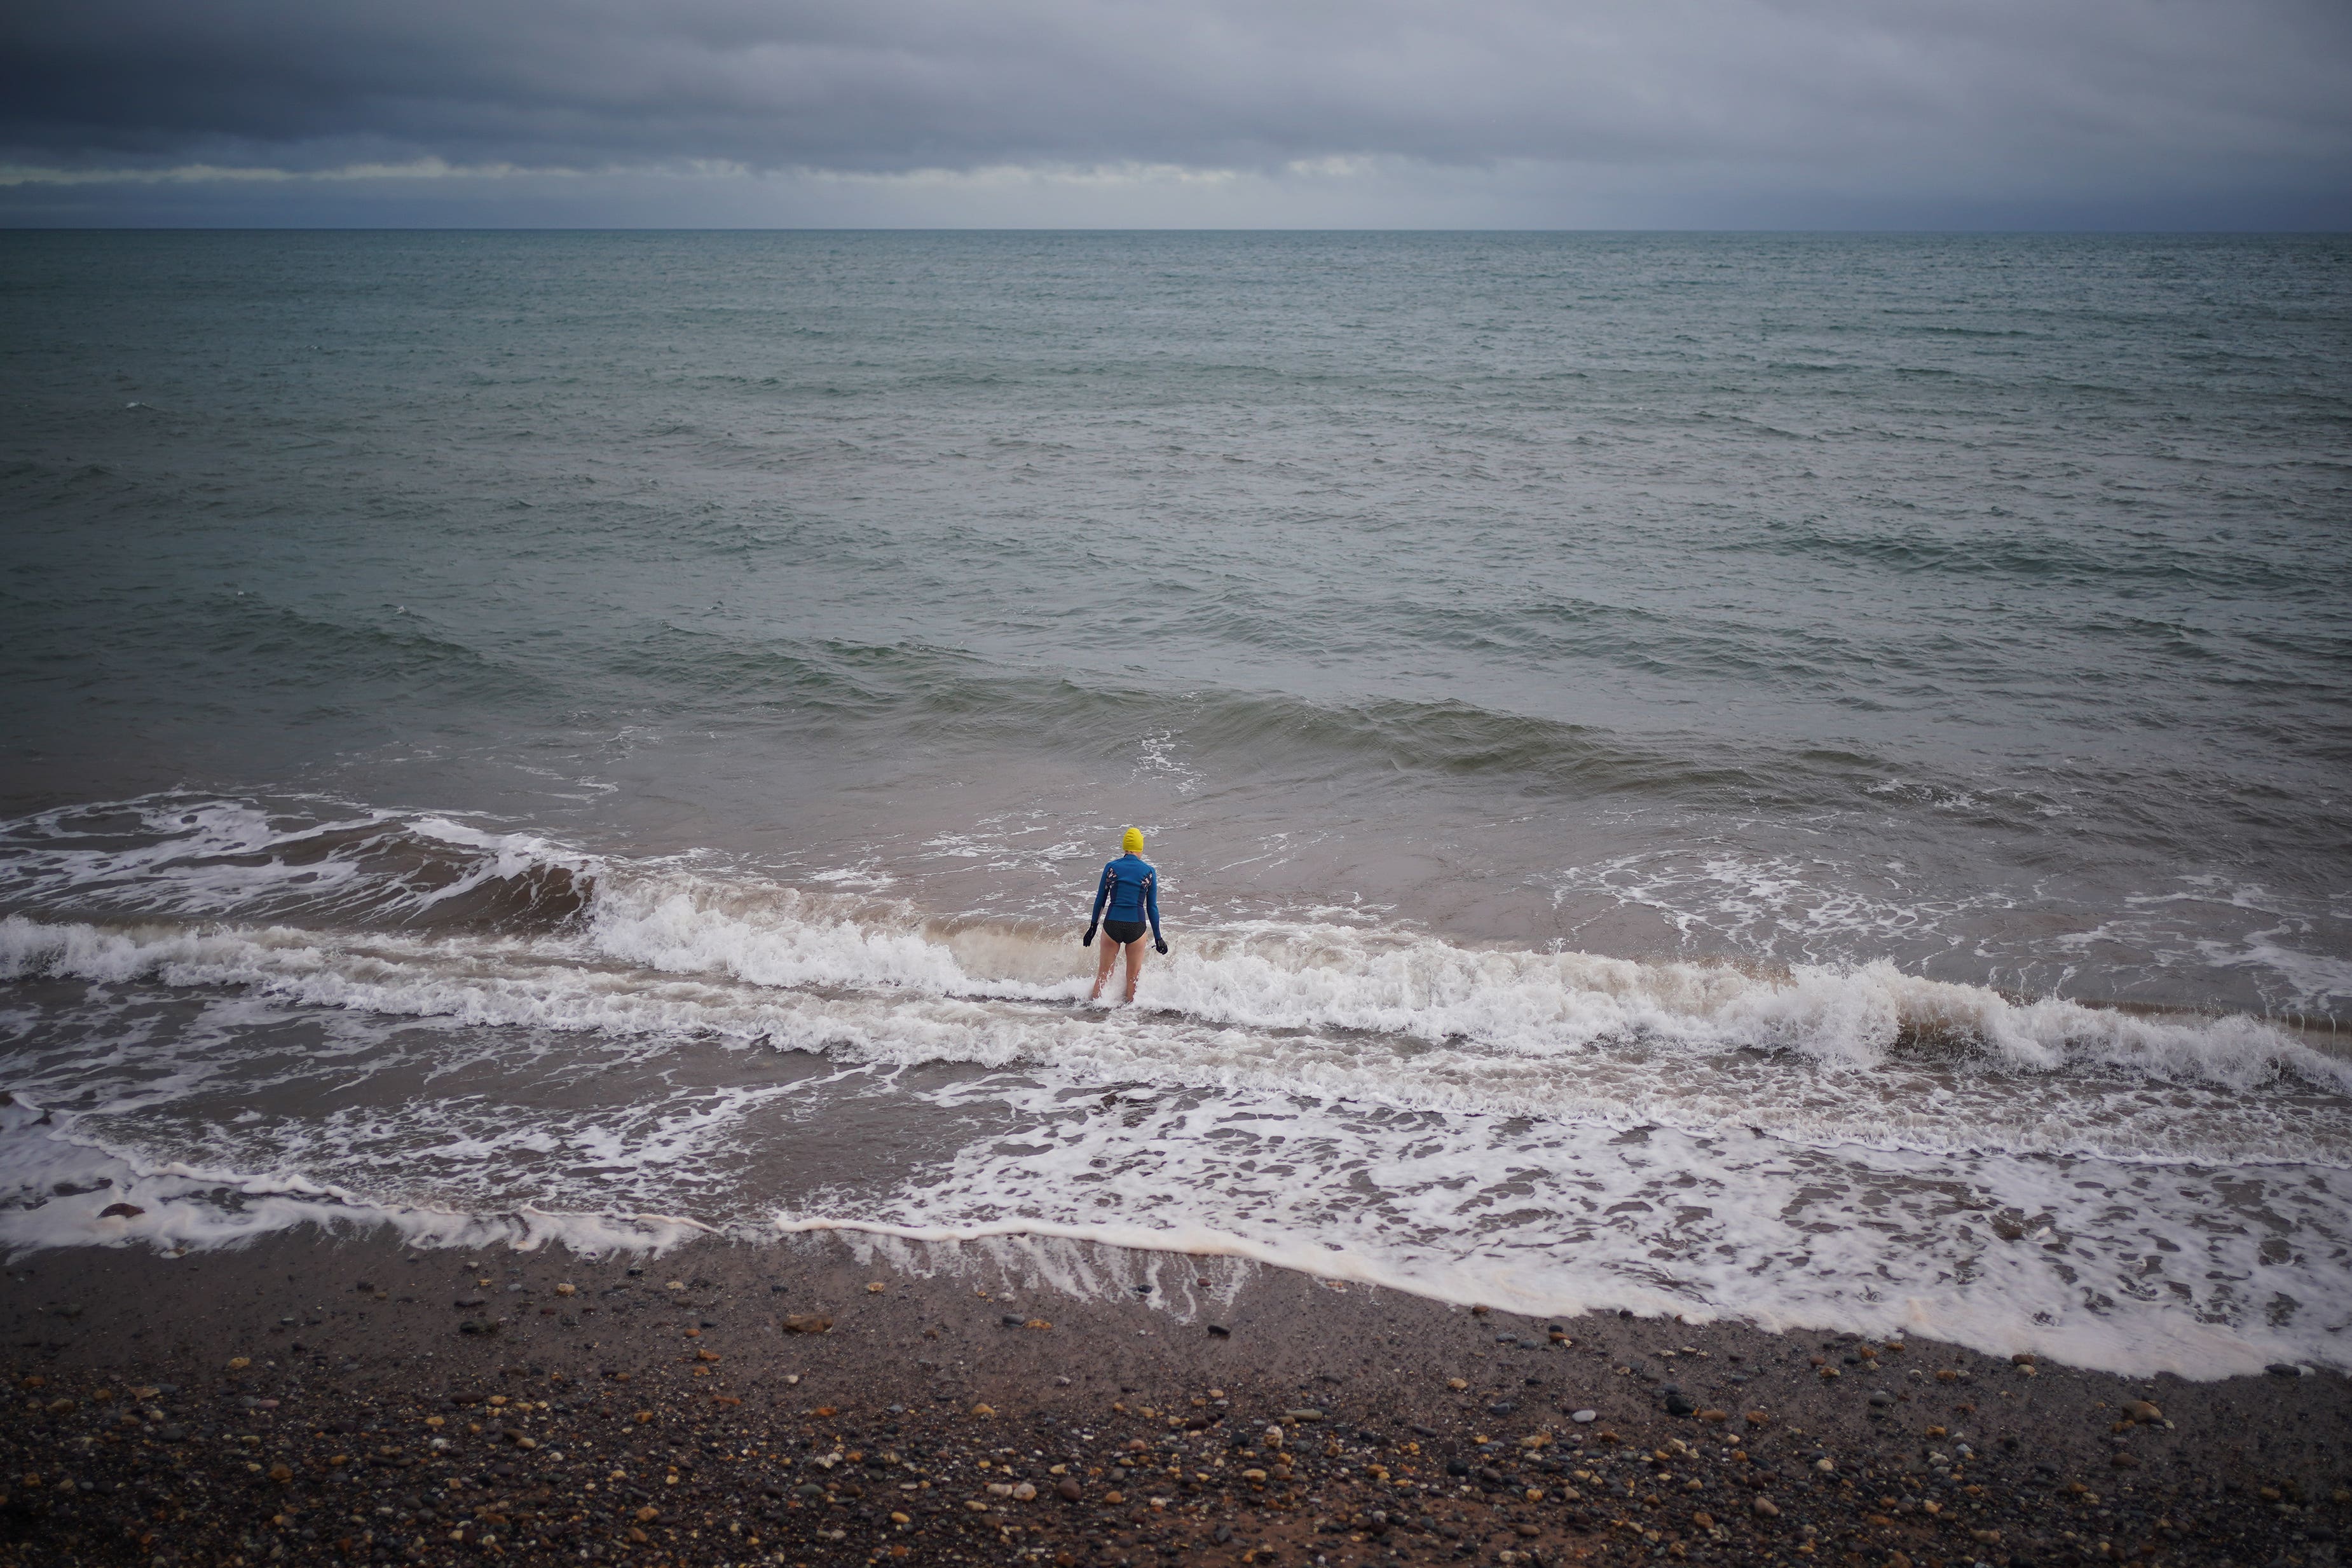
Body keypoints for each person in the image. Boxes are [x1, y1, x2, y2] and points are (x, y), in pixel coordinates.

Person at [1083, 826, 1167, 1003]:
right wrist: (1158, 938)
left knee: (1104, 975)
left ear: (1125, 847)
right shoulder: (1149, 871)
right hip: (1136, 927)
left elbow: (1100, 900)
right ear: (1140, 848)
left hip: (1112, 924)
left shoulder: (1111, 867)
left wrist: (1093, 927)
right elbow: (1152, 907)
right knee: (1133, 979)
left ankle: (1093, 1010)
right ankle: (1129, 1019)